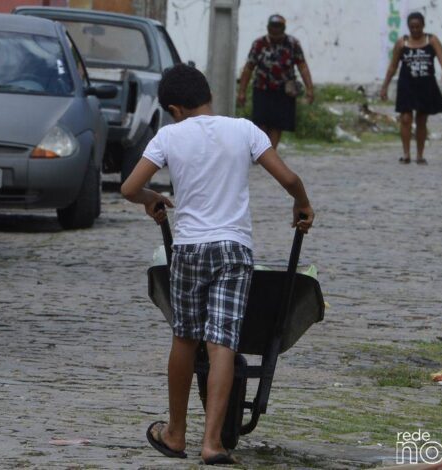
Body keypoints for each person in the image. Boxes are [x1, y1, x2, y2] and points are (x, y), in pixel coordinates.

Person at [121, 64, 314, 465]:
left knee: (185, 338)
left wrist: (151, 199)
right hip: (234, 248)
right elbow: (289, 177)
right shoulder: (244, 129)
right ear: (207, 96)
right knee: (222, 341)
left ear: (174, 108)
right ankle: (213, 443)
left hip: (190, 248)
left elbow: (129, 187)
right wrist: (302, 203)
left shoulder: (169, 136)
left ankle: (175, 434)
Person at [380, 11, 442, 164]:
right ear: (408, 27)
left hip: (426, 85)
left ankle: (420, 154)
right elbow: (393, 66)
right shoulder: (401, 43)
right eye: (412, 27)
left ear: (423, 26)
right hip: (407, 85)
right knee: (405, 119)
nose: (415, 30)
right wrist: (384, 86)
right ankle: (406, 154)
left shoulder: (432, 40)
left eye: (418, 27)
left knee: (422, 120)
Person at [237, 13, 314, 149]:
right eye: (273, 29)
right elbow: (249, 68)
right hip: (262, 90)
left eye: (279, 29)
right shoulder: (259, 44)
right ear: (268, 28)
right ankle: (259, 151)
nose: (276, 33)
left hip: (284, 92)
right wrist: (242, 91)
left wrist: (310, 89)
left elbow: (302, 66)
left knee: (278, 125)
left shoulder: (293, 44)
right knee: (261, 123)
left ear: (283, 29)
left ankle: (270, 152)